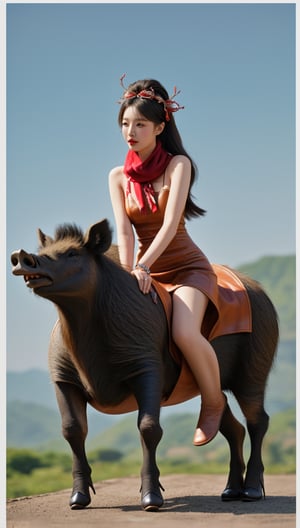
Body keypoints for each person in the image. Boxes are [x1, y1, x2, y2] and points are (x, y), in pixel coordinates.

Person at [108, 76, 226, 446]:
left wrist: (143, 266)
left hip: (187, 268)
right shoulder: (116, 177)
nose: (131, 131)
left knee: (184, 332)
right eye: (126, 123)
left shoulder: (178, 165)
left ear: (160, 126)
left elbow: (171, 223)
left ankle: (213, 402)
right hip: (146, 269)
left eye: (140, 124)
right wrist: (130, 273)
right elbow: (125, 233)